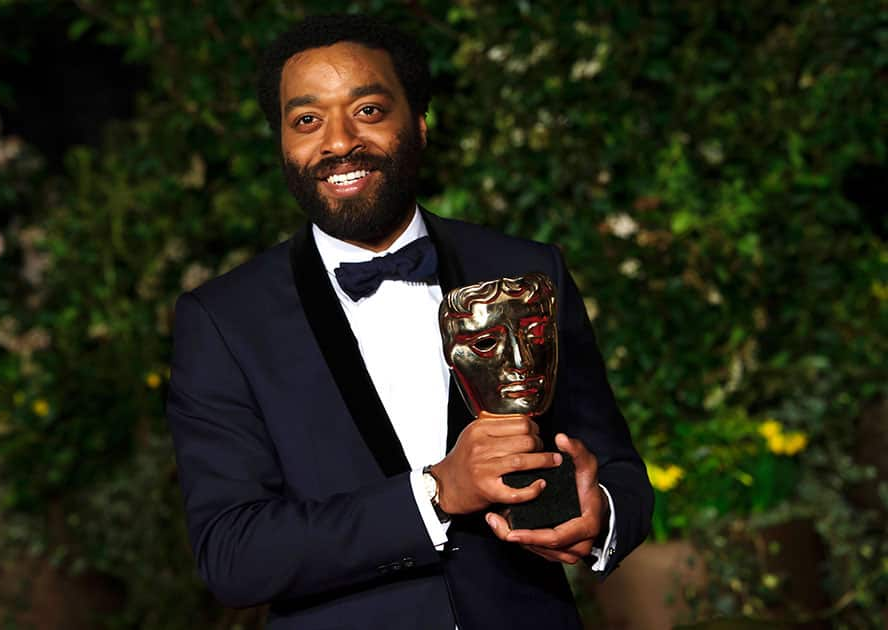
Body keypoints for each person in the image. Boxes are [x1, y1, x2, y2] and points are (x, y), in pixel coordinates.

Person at [166, 14, 652, 630]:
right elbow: (232, 555)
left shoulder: (527, 269)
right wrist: (436, 493)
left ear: (419, 124)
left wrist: (600, 512)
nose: (338, 142)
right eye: (307, 120)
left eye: (367, 110)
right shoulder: (223, 321)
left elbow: (618, 470)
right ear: (282, 146)